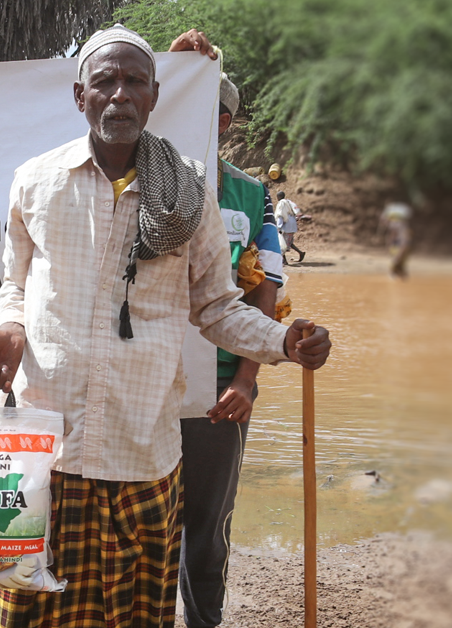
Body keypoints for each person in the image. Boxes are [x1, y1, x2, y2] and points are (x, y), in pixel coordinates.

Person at [0, 24, 331, 628]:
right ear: (78, 96)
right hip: (49, 445)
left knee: (136, 616)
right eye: (104, 81)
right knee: (34, 612)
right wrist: (11, 328)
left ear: (155, 95)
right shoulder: (37, 181)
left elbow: (216, 306)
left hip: (143, 450)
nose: (119, 95)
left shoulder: (188, 190)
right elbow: (15, 284)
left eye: (134, 81)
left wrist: (283, 341)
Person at [165, 31, 284, 628]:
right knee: (140, 519)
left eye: (207, 108)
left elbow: (264, 289)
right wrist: (174, 61)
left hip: (217, 388)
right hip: (148, 380)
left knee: (207, 529)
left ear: (225, 120)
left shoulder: (252, 195)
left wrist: (247, 379)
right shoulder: (140, 173)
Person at [379, 202, 412, 279]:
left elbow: (404, 241)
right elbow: (384, 222)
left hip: (400, 241)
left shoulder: (399, 226)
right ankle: (396, 272)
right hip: (398, 241)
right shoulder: (396, 224)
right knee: (396, 259)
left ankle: (397, 272)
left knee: (398, 260)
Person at [275, 190, 305, 264]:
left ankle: (284, 261)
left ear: (279, 197)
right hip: (292, 223)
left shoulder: (281, 203)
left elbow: (280, 215)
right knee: (289, 242)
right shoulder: (288, 202)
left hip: (286, 225)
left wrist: (279, 227)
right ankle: (300, 253)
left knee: (281, 242)